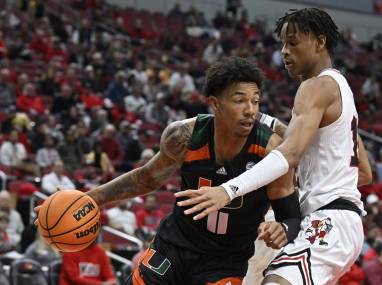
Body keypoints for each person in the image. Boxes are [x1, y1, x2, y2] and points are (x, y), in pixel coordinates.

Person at [37, 57, 300, 285]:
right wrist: (86, 199)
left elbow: (290, 215)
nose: (250, 110)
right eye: (239, 100)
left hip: (225, 261)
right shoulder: (184, 136)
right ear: (215, 103)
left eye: (255, 101)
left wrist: (283, 228)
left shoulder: (270, 149)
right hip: (175, 245)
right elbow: (146, 178)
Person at [176, 8, 372, 285]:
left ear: (320, 42)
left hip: (329, 220)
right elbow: (364, 173)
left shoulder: (316, 87)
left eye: (293, 43)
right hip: (335, 221)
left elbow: (289, 155)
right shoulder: (341, 90)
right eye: (282, 44)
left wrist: (228, 190)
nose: (284, 51)